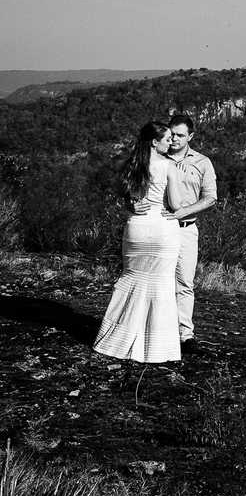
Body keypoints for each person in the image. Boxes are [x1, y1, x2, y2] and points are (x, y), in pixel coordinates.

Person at [94, 122, 185, 363]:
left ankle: (117, 340)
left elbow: (124, 195)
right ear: (155, 142)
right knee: (161, 286)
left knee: (131, 280)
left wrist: (131, 203)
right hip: (162, 230)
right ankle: (156, 347)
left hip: (137, 229)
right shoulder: (169, 166)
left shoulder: (132, 165)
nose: (171, 143)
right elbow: (176, 205)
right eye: (167, 140)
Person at [163, 114, 218, 354]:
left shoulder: (202, 162)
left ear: (191, 137)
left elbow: (211, 197)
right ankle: (156, 331)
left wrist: (183, 212)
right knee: (158, 281)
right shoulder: (156, 157)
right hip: (159, 229)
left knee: (184, 282)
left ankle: (185, 335)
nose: (174, 139)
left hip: (186, 230)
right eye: (172, 134)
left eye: (180, 135)